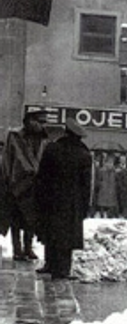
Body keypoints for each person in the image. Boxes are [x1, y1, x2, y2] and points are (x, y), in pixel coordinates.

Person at [34, 118, 93, 279]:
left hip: (51, 199)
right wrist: (84, 207)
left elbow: (42, 176)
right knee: (66, 237)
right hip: (72, 203)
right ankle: (63, 269)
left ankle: (49, 264)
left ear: (66, 132)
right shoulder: (84, 155)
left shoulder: (52, 149)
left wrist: (39, 198)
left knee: (50, 232)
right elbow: (86, 185)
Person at [1, 109, 49, 260]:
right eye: (38, 121)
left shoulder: (43, 138)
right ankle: (17, 249)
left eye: (43, 122)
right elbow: (7, 159)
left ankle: (28, 247)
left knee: (31, 219)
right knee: (16, 218)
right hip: (17, 183)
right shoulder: (15, 136)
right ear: (29, 121)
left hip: (35, 183)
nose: (41, 125)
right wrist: (8, 179)